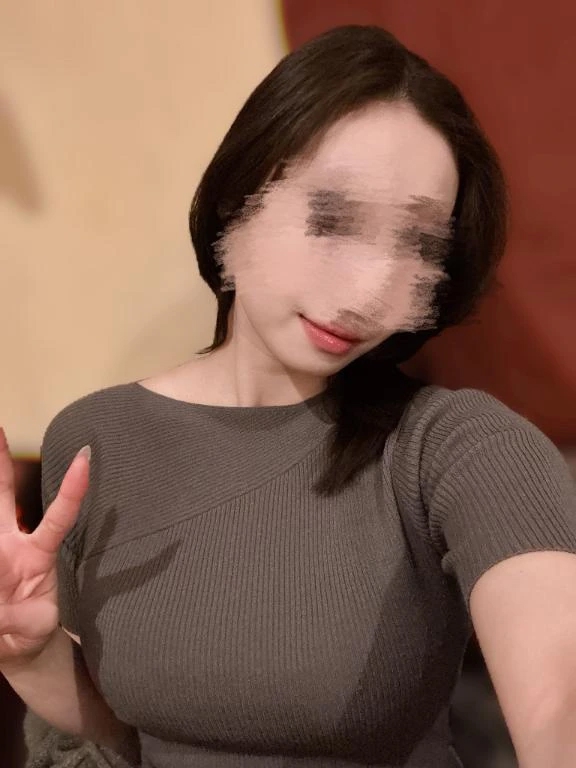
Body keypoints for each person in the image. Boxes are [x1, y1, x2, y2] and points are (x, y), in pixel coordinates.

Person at [2, 25, 576, 768]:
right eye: (332, 220)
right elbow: (130, 740)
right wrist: (33, 654)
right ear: (237, 198)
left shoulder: (456, 446)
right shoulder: (95, 439)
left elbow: (559, 699)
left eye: (420, 245)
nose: (369, 292)